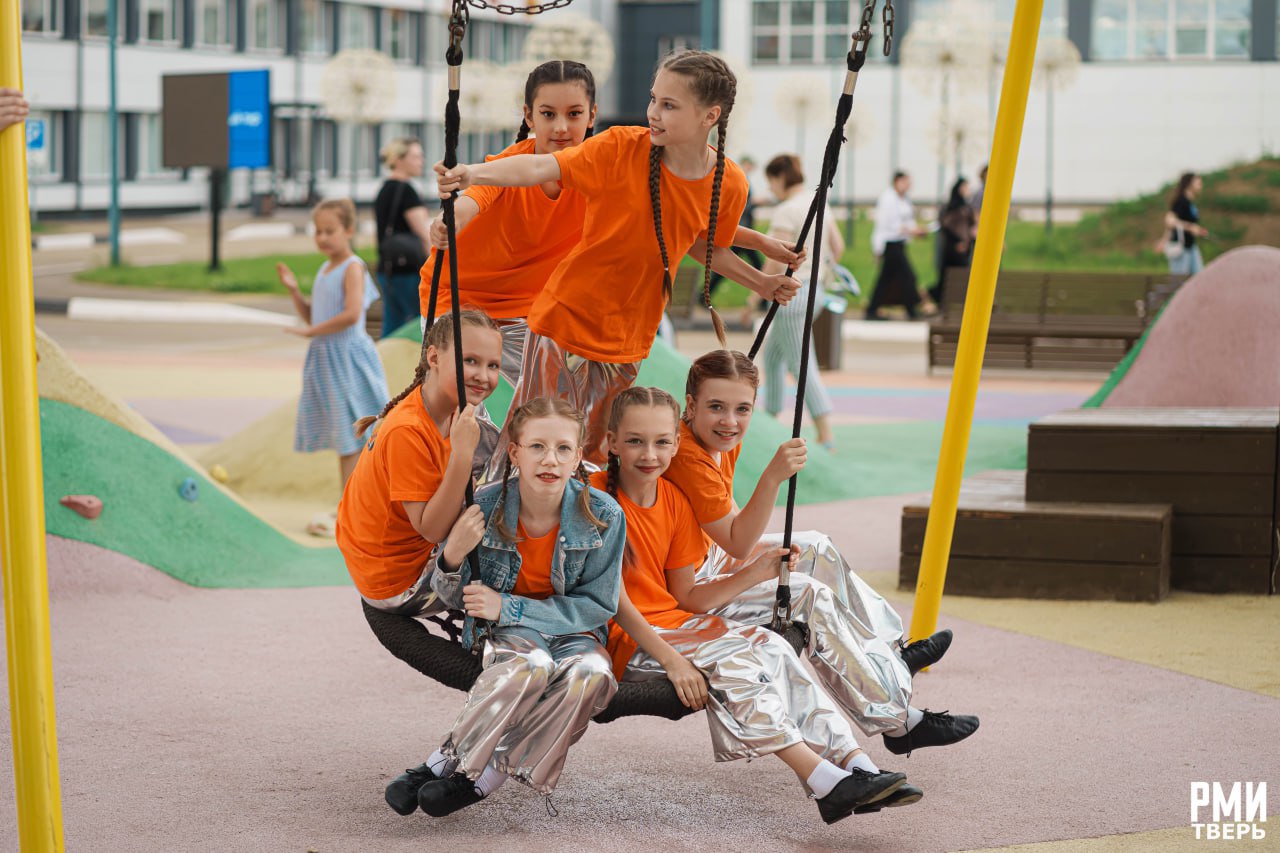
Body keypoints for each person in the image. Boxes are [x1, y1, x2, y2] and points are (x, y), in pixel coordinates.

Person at [435, 49, 801, 468]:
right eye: (653, 100)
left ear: (709, 116)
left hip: (630, 336)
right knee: (540, 438)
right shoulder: (619, 148)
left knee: (592, 449)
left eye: (669, 105)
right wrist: (472, 174)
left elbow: (701, 243)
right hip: (566, 321)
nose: (653, 113)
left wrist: (763, 282)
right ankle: (503, 519)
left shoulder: (729, 181)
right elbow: (540, 168)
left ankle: (577, 530)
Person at [596, 387, 920, 824]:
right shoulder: (593, 499)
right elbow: (611, 602)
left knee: (775, 647)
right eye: (635, 441)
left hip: (678, 625)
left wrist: (757, 571)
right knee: (735, 657)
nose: (649, 454)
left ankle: (857, 764)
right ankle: (824, 781)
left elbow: (689, 598)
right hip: (632, 640)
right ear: (611, 442)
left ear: (677, 441)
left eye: (661, 442)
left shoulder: (674, 503)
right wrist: (671, 660)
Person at [663, 350, 979, 755]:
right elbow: (739, 542)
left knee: (815, 545)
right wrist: (773, 477)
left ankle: (891, 652)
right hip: (692, 584)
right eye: (716, 408)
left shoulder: (716, 440)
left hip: (709, 556)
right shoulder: (689, 456)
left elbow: (727, 523)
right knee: (808, 594)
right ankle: (900, 723)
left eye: (742, 409)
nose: (730, 421)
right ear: (690, 406)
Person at [387, 397, 626, 818]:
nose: (550, 459)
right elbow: (451, 594)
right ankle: (447, 763)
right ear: (515, 452)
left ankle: (480, 774)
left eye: (563, 449)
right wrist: (452, 558)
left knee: (594, 673)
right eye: (536, 447)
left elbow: (599, 605)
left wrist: (509, 607)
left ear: (578, 457)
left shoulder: (603, 515)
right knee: (530, 665)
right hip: (509, 636)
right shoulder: (486, 503)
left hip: (574, 632)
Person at [419, 60, 597, 390]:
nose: (560, 127)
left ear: (592, 115)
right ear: (529, 116)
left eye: (574, 114)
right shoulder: (507, 167)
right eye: (547, 114)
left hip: (530, 312)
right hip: (460, 299)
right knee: (463, 398)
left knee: (558, 405)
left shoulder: (601, 174)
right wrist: (448, 223)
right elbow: (470, 202)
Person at [335, 309, 503, 613]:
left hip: (400, 555)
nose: (483, 375)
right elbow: (432, 530)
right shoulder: (408, 431)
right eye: (470, 361)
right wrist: (463, 456)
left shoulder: (449, 407)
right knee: (514, 537)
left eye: (493, 365)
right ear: (434, 358)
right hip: (397, 583)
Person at [276, 198, 389, 520]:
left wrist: (311, 332)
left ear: (349, 231)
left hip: (347, 357)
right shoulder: (326, 268)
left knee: (351, 435)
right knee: (344, 434)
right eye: (318, 231)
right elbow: (315, 313)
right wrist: (295, 292)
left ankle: (351, 508)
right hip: (328, 357)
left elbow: (352, 314)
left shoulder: (352, 267)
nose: (323, 237)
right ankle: (351, 506)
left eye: (330, 231)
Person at [760, 154, 841, 451]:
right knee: (772, 356)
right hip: (816, 289)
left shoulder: (786, 210)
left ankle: (825, 433)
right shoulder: (819, 203)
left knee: (801, 363)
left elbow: (774, 257)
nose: (771, 189)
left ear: (779, 177)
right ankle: (769, 419)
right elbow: (838, 247)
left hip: (792, 292)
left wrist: (754, 292)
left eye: (771, 182)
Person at [374, 137, 431, 336]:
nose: (421, 161)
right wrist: (433, 265)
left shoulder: (384, 189)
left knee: (392, 325)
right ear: (399, 160)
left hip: (387, 269)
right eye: (415, 156)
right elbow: (423, 233)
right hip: (409, 270)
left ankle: (383, 365)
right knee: (421, 324)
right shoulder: (407, 191)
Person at [866, 171, 928, 320]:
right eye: (905, 182)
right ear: (897, 181)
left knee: (887, 278)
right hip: (890, 243)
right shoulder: (888, 199)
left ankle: (873, 309)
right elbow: (891, 225)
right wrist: (913, 231)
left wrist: (916, 230)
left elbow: (907, 221)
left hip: (899, 243)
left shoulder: (904, 199)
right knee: (907, 276)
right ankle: (910, 308)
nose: (908, 186)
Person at [708, 155, 764, 306]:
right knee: (755, 265)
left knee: (727, 266)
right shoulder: (739, 179)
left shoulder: (741, 179)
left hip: (740, 229)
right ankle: (764, 299)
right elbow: (740, 206)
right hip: (740, 229)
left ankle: (705, 294)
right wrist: (754, 204)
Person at [929, 177, 976, 307]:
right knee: (951, 277)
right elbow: (946, 226)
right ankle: (941, 301)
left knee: (959, 277)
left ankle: (938, 297)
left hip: (964, 246)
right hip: (952, 247)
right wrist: (958, 241)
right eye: (965, 187)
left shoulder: (966, 206)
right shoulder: (952, 207)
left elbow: (970, 225)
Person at [1164, 171, 1209, 276]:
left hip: (1191, 245)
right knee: (1179, 281)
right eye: (1198, 183)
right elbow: (1169, 221)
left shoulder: (1190, 203)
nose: (1200, 186)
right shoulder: (1181, 201)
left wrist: (1198, 230)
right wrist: (1190, 227)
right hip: (1181, 247)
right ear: (1189, 184)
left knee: (1199, 276)